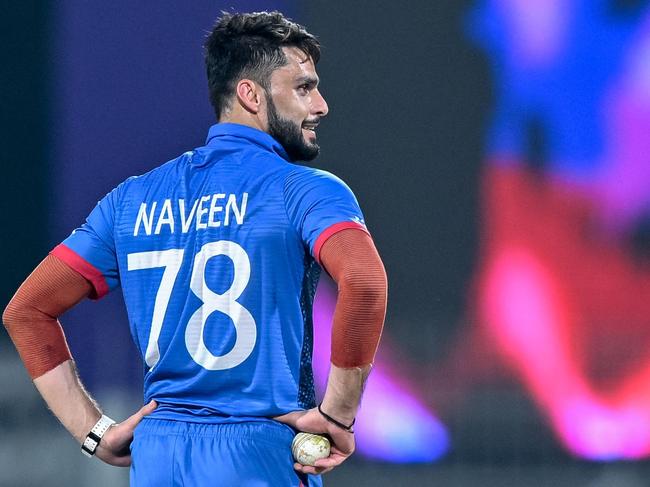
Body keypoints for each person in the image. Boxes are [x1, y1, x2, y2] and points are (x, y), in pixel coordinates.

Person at [2, 11, 387, 487]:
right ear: (251, 94)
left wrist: (94, 433)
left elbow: (27, 310)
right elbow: (365, 281)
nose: (322, 104)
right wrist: (339, 415)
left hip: (159, 455)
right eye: (304, 88)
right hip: (259, 449)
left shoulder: (131, 199)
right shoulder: (303, 190)